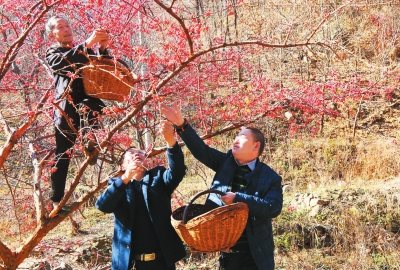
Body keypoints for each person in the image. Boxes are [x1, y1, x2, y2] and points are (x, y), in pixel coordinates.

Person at [160, 103, 283, 270]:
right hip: (227, 252)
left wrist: (238, 200)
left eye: (242, 137)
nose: (236, 139)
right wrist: (182, 125)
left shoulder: (270, 177)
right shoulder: (225, 162)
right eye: (236, 136)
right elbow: (201, 150)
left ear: (256, 146)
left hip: (256, 255)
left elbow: (273, 207)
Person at [95, 119, 187, 270]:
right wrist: (125, 178)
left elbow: (177, 171)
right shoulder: (116, 185)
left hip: (162, 262)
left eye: (140, 153)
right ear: (122, 165)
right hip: (129, 263)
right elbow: (103, 206)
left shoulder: (159, 176)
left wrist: (171, 141)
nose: (137, 154)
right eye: (131, 153)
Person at [45, 15, 109, 210]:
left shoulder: (83, 50)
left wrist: (103, 48)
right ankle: (56, 200)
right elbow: (68, 63)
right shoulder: (53, 52)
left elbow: (105, 69)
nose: (66, 29)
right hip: (67, 109)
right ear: (52, 34)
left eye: (68, 25)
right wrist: (88, 44)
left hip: (88, 104)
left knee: (97, 107)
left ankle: (91, 142)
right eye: (61, 27)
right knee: (63, 154)